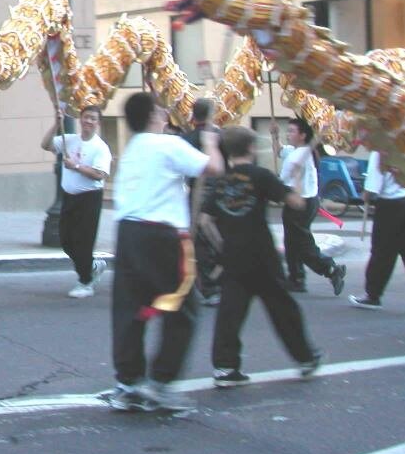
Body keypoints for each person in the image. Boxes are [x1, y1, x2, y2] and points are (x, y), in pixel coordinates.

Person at [104, 92, 225, 413]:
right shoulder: (167, 144)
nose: (166, 114)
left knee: (130, 309)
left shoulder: (131, 150)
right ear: (154, 115)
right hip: (163, 236)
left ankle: (128, 382)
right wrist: (211, 141)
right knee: (183, 308)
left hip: (128, 234)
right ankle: (160, 382)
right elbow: (213, 168)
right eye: (162, 110)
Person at [202, 126, 322, 388]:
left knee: (230, 312)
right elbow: (296, 203)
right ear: (251, 148)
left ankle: (225, 367)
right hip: (262, 253)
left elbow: (205, 220)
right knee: (282, 308)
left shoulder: (222, 181)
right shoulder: (261, 176)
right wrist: (298, 178)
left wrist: (221, 244)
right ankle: (304, 358)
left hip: (233, 256)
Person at [348, 149, 405, 313]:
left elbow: (373, 185)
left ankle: (373, 295)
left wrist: (364, 197)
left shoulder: (380, 151)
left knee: (382, 253)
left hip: (391, 204)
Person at [40, 104, 111, 298]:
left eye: (93, 118)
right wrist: (56, 124)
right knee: (65, 240)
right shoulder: (69, 140)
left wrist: (76, 166)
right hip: (69, 197)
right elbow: (45, 145)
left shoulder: (100, 148)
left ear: (98, 123)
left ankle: (85, 281)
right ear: (80, 119)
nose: (88, 121)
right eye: (86, 117)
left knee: (83, 242)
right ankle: (92, 266)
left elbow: (100, 174)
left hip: (89, 198)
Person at [275, 118, 345, 295]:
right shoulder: (299, 150)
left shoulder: (298, 156)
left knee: (302, 244)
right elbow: (280, 151)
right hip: (307, 201)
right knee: (292, 242)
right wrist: (274, 135)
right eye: (288, 130)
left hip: (299, 203)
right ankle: (296, 279)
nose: (288, 133)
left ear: (302, 135)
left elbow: (282, 181)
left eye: (291, 131)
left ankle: (330, 269)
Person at [185, 98, 225, 307]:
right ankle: (215, 282)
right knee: (216, 238)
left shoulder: (188, 138)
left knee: (201, 242)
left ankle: (210, 286)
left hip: (199, 196)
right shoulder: (220, 136)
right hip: (220, 194)